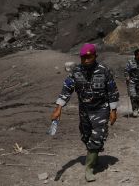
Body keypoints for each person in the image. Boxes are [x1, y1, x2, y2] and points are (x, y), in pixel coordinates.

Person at [51, 43, 119, 182]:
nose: (86, 60)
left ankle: (89, 168)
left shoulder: (104, 70)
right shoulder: (76, 72)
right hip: (84, 110)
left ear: (95, 56)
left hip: (101, 109)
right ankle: (95, 152)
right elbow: (66, 89)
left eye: (89, 57)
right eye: (83, 57)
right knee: (85, 136)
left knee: (97, 137)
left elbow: (112, 91)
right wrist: (59, 108)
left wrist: (113, 110)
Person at [124, 48, 139, 117]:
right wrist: (127, 76)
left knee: (138, 97)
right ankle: (135, 111)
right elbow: (126, 70)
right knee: (133, 96)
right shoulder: (130, 62)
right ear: (136, 56)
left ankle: (136, 109)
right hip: (132, 82)